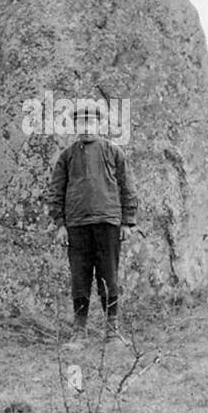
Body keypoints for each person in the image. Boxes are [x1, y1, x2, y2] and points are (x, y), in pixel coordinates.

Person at [45, 102, 138, 341]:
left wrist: (127, 222)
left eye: (90, 122)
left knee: (109, 275)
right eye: (80, 123)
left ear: (99, 124)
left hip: (108, 222)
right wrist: (60, 224)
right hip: (76, 225)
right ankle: (79, 331)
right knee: (80, 277)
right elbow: (55, 191)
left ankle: (112, 330)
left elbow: (128, 187)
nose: (86, 127)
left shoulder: (114, 152)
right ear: (75, 126)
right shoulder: (67, 156)